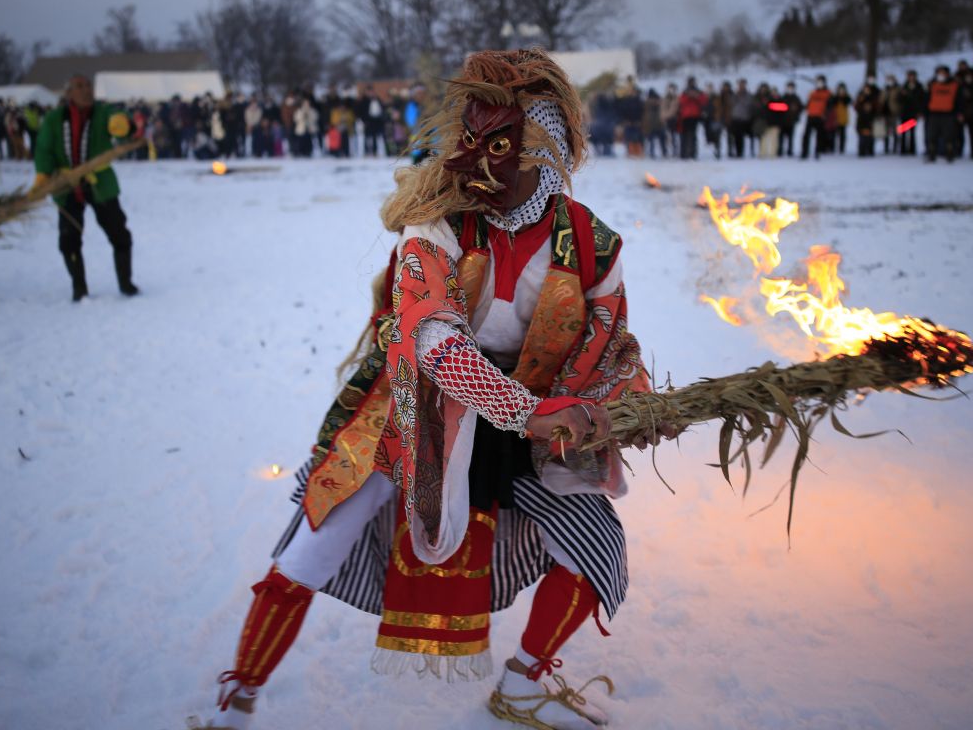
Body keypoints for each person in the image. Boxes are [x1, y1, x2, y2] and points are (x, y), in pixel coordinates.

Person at [192, 48, 666, 730]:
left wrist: (624, 403)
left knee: (595, 548)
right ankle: (237, 692)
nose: (474, 161)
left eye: (501, 145)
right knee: (313, 545)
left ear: (547, 150)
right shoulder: (436, 222)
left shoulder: (591, 243)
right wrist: (525, 412)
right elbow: (434, 342)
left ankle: (527, 683)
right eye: (470, 139)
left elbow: (613, 342)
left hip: (535, 423)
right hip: (413, 412)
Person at [32, 73, 138, 302]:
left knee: (119, 233)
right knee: (68, 240)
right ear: (69, 92)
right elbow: (43, 149)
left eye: (88, 85)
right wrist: (43, 174)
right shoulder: (54, 119)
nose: (85, 90)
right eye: (79, 86)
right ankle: (79, 287)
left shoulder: (103, 112)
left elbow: (122, 120)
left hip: (100, 184)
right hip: (66, 186)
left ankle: (126, 283)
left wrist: (123, 124)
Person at [925, 65, 962, 163]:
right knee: (932, 135)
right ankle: (931, 154)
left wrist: (959, 113)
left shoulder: (954, 85)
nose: (940, 75)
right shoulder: (932, 84)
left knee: (949, 135)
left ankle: (950, 154)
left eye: (942, 73)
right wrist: (925, 111)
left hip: (948, 114)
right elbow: (926, 98)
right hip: (934, 113)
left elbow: (959, 100)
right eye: (939, 73)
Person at [801, 75, 831, 159]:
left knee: (819, 136)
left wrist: (825, 114)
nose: (819, 84)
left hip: (820, 117)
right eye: (818, 82)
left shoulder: (828, 93)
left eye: (821, 82)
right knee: (806, 135)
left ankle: (818, 152)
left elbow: (830, 106)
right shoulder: (813, 92)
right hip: (811, 116)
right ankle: (804, 153)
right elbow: (808, 104)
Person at [900, 70, 926, 155]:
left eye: (912, 76)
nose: (911, 77)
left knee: (912, 132)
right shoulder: (904, 86)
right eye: (909, 76)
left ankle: (912, 149)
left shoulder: (919, 86)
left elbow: (922, 99)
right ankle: (903, 149)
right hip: (904, 112)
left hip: (914, 112)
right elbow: (899, 99)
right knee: (903, 131)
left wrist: (920, 111)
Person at [776, 82, 802, 157]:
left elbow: (800, 108)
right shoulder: (783, 97)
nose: (790, 89)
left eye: (791, 88)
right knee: (781, 137)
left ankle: (790, 151)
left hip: (791, 121)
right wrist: (786, 107)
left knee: (791, 137)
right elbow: (777, 107)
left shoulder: (796, 98)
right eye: (789, 87)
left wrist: (796, 111)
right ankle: (780, 150)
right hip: (782, 121)